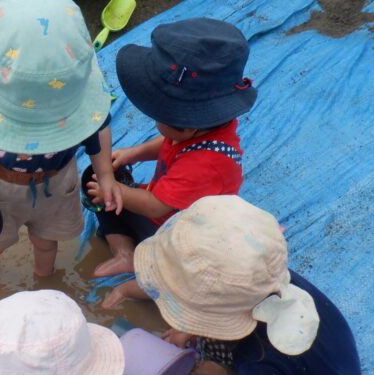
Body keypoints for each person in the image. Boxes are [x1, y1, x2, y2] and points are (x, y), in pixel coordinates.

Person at [131, 195, 362, 375]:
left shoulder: (260, 359)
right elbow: (229, 303)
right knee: (210, 342)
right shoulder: (262, 275)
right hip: (313, 374)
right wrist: (191, 327)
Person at [0, 0, 123, 278]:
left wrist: (105, 174)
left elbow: (99, 127)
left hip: (56, 182)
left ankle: (44, 281)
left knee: (46, 242)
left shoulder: (81, 103)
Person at [85, 18, 257, 308]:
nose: (156, 123)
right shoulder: (196, 129)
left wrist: (114, 190)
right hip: (162, 205)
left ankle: (141, 282)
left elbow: (156, 206)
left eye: (159, 118)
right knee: (98, 182)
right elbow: (167, 142)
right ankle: (124, 252)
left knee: (176, 274)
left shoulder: (207, 163)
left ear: (187, 126)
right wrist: (132, 154)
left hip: (183, 233)